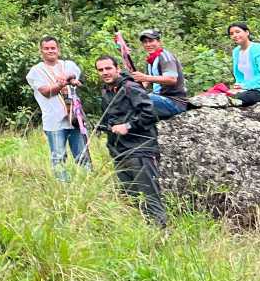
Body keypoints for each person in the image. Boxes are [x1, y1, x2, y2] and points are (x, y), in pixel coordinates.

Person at [93, 54, 166, 227]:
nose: (105, 72)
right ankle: (143, 231)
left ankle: (162, 234)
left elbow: (150, 113)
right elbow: (110, 120)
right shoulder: (106, 91)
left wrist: (129, 126)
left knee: (150, 195)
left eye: (108, 68)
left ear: (117, 69)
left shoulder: (130, 87)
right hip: (119, 152)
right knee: (130, 197)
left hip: (140, 149)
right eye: (101, 70)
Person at [26, 36, 90, 179]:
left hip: (75, 118)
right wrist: (62, 83)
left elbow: (75, 75)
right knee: (59, 156)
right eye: (46, 48)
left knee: (82, 154)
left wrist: (68, 77)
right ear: (41, 51)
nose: (50, 51)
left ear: (58, 49)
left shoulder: (68, 64)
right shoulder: (36, 71)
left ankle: (88, 182)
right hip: (54, 121)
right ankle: (63, 186)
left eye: (53, 48)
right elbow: (45, 92)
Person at [132, 29, 190, 118]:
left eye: (151, 41)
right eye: (145, 42)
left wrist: (145, 77)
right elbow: (145, 83)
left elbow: (172, 79)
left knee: (143, 99)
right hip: (159, 97)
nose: (148, 44)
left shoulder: (165, 57)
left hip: (174, 101)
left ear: (159, 42)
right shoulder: (150, 60)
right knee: (131, 97)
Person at [227, 22, 260, 106]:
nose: (234, 35)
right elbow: (239, 76)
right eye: (231, 34)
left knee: (241, 98)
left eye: (238, 32)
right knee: (224, 94)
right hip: (247, 89)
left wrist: (244, 86)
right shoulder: (236, 52)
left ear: (247, 32)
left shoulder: (258, 49)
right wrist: (238, 87)